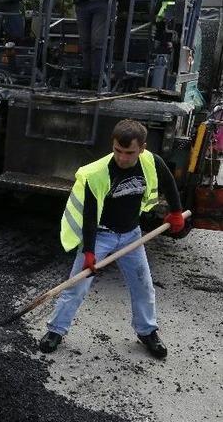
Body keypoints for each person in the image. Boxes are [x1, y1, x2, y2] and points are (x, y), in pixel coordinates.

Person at [40, 119, 187, 359]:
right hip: (101, 235)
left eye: (129, 152)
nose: (122, 157)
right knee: (76, 287)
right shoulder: (97, 174)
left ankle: (147, 331)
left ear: (142, 148)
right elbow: (89, 215)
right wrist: (88, 251)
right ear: (113, 144)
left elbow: (169, 183)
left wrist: (176, 211)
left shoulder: (152, 162)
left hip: (131, 235)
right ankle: (56, 330)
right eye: (118, 150)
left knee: (143, 285)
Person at [59, 0, 122, 89]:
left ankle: (97, 80)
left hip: (102, 3)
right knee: (85, 43)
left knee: (97, 41)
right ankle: (86, 78)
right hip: (82, 4)